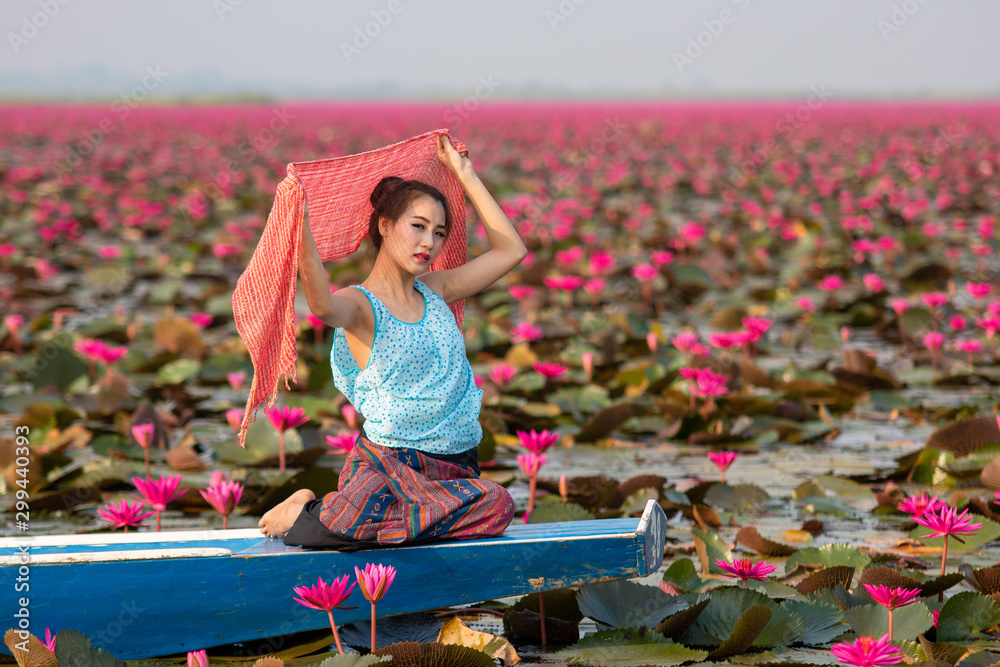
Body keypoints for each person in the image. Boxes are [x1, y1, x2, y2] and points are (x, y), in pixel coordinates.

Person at [258, 134, 526, 549]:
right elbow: (322, 307)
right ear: (385, 226)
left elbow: (511, 250)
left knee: (497, 504)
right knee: (359, 520)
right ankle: (304, 511)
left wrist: (465, 173)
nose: (428, 243)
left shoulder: (438, 289)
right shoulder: (361, 305)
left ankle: (390, 526)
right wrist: (301, 224)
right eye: (417, 227)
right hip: (388, 468)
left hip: (452, 469)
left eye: (438, 233)